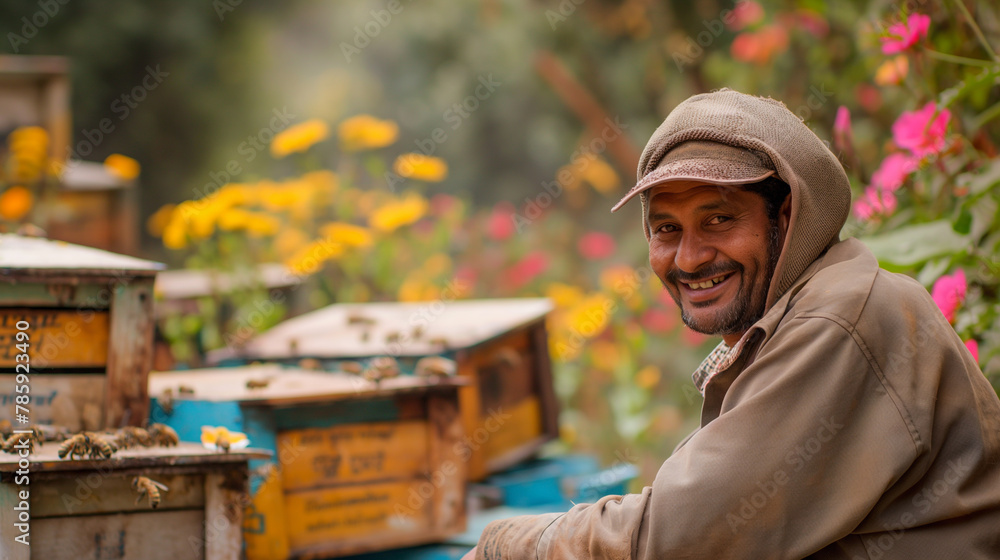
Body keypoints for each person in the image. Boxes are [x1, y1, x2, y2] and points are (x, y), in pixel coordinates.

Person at [462, 88, 1000, 559]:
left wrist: (501, 546)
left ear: (785, 215)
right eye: (666, 228)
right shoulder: (814, 306)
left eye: (719, 219)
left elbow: (675, 542)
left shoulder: (840, 317)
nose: (690, 258)